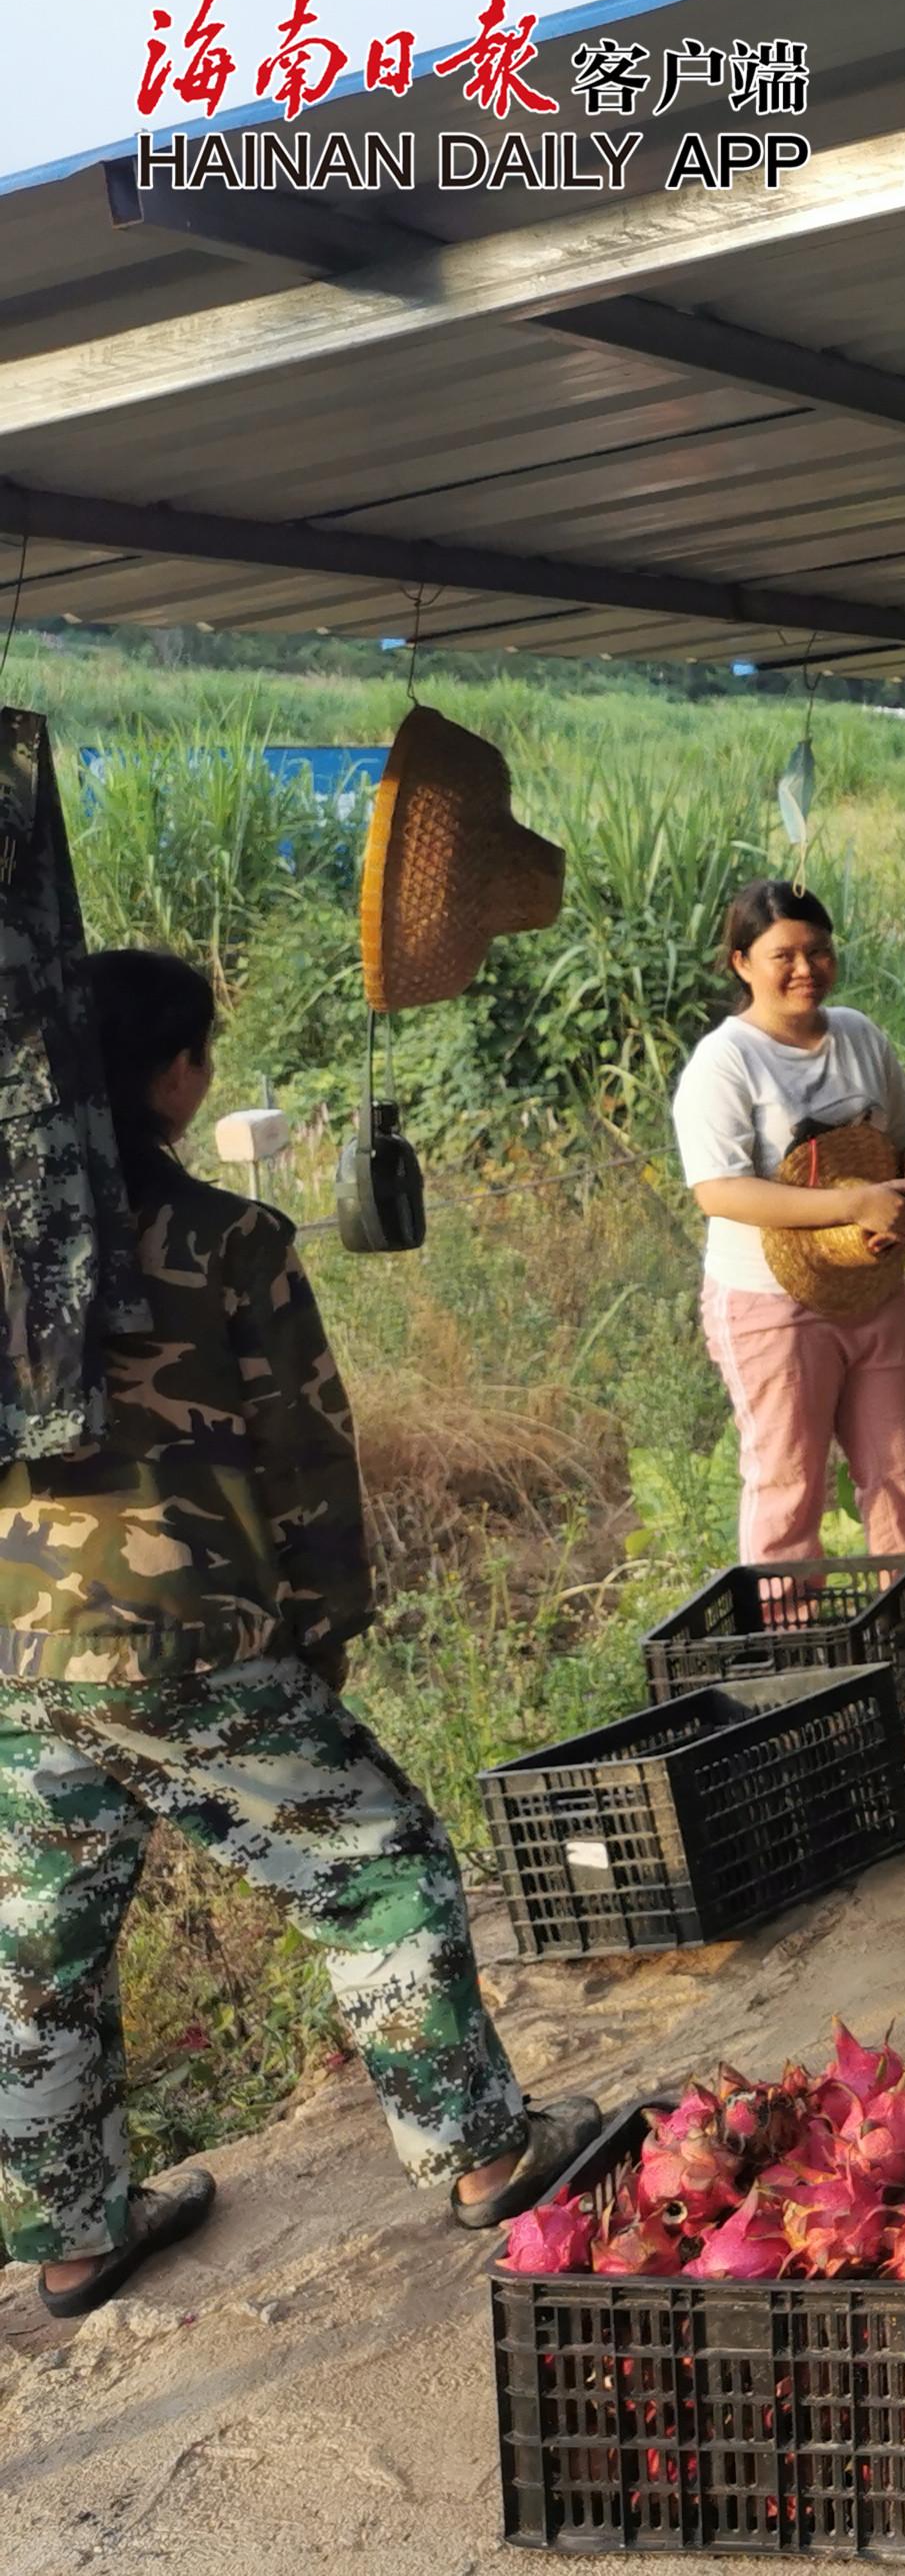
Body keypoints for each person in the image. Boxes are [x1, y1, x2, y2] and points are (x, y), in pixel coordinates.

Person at [0, 952, 599, 2314]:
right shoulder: (229, 1243)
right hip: (188, 1638)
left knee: (40, 1940)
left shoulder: (14, 1253)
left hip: (18, 1652)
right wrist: (325, 1626)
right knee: (375, 1858)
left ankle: (75, 2240)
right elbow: (308, 1461)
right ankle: (485, 2158)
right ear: (173, 1078)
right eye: (199, 1053)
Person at [670, 880, 905, 1577]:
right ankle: (793, 1650)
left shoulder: (858, 1034)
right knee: (790, 1487)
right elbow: (719, 1189)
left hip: (874, 1289)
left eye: (818, 951)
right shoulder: (725, 1062)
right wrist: (853, 1206)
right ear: (740, 963)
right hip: (771, 1303)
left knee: (900, 1468)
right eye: (782, 955)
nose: (805, 970)